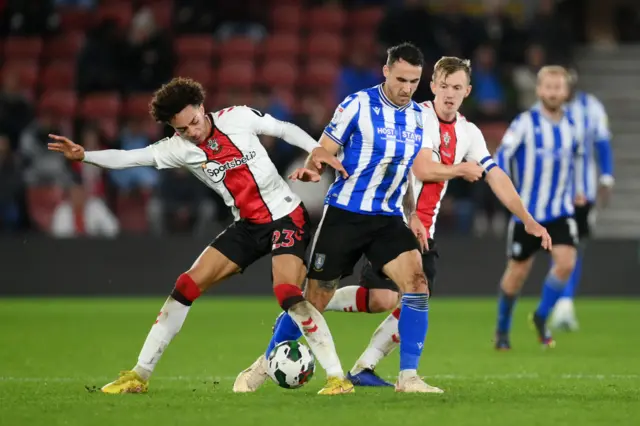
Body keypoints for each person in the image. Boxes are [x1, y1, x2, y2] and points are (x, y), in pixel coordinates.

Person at [47, 77, 353, 396]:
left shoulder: (236, 117)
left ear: (202, 109)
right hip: (247, 226)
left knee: (288, 293)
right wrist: (86, 156)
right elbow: (130, 157)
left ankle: (336, 378)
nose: (191, 132)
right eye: (182, 129)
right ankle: (139, 374)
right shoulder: (178, 149)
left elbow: (284, 129)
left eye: (193, 122)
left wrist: (316, 150)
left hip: (286, 216)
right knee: (185, 286)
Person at [322, 56, 551, 387]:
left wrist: (527, 219)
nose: (449, 94)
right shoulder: (418, 118)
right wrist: (459, 169)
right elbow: (422, 169)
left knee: (400, 299)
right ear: (432, 86)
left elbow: (495, 175)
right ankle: (320, 308)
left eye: (457, 88)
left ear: (467, 91)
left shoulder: (468, 133)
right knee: (393, 298)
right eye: (443, 86)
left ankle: (363, 366)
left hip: (423, 231)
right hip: (391, 219)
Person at [493, 66, 583, 350]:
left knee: (567, 262)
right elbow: (502, 156)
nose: (554, 92)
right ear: (539, 90)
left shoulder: (572, 126)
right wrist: (507, 192)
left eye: (559, 87)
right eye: (549, 86)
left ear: (566, 92)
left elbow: (577, 161)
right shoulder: (524, 123)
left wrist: (579, 189)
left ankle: (541, 316)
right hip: (527, 214)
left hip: (559, 211)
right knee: (516, 275)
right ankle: (502, 329)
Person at [549, 70, 614, 331]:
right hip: (552, 192)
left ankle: (563, 303)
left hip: (582, 193)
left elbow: (603, 144)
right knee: (561, 246)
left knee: (574, 246)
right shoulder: (542, 111)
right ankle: (560, 303)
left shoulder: (591, 107)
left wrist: (606, 178)